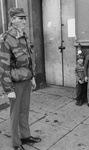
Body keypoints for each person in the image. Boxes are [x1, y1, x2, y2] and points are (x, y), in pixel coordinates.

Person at [0, 7, 41, 150]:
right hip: (15, 82)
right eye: (20, 18)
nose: (24, 21)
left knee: (24, 110)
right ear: (12, 20)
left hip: (27, 80)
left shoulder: (24, 36)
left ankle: (25, 136)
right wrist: (8, 89)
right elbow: (3, 66)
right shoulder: (6, 38)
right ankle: (16, 143)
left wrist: (33, 77)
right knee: (15, 113)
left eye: (24, 18)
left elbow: (30, 59)